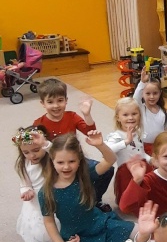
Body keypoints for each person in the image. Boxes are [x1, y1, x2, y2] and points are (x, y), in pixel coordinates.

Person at [38, 132, 134, 242]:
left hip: (100, 224)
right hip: (76, 237)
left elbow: (110, 159)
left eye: (72, 161)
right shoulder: (45, 192)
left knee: (142, 231)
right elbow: (49, 221)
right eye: (60, 162)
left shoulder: (86, 175)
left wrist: (100, 145)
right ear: (52, 160)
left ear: (79, 160)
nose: (66, 167)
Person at [34, 78, 113, 210]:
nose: (56, 106)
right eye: (50, 102)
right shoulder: (39, 123)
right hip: (54, 163)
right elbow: (36, 149)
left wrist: (87, 115)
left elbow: (90, 133)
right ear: (43, 103)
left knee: (107, 170)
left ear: (66, 100)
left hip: (75, 158)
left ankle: (94, 200)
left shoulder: (72, 116)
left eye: (60, 100)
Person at [13, 124, 54, 242]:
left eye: (36, 150)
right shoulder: (24, 164)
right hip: (37, 200)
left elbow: (57, 152)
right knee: (40, 234)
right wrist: (26, 191)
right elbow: (25, 183)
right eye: (26, 152)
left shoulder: (51, 158)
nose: (32, 155)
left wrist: (45, 143)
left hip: (54, 195)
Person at [105, 97, 149, 203]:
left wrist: (151, 159)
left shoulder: (138, 132)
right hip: (126, 172)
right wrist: (126, 142)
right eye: (125, 115)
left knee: (145, 194)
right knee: (129, 198)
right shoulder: (117, 135)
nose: (130, 118)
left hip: (141, 168)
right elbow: (108, 149)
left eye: (134, 114)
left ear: (139, 115)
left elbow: (141, 152)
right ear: (118, 117)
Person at [133, 72, 167, 155]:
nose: (152, 97)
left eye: (155, 93)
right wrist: (142, 82)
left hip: (159, 147)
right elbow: (135, 99)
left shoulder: (164, 113)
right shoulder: (141, 108)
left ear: (160, 93)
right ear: (142, 94)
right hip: (142, 147)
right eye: (148, 93)